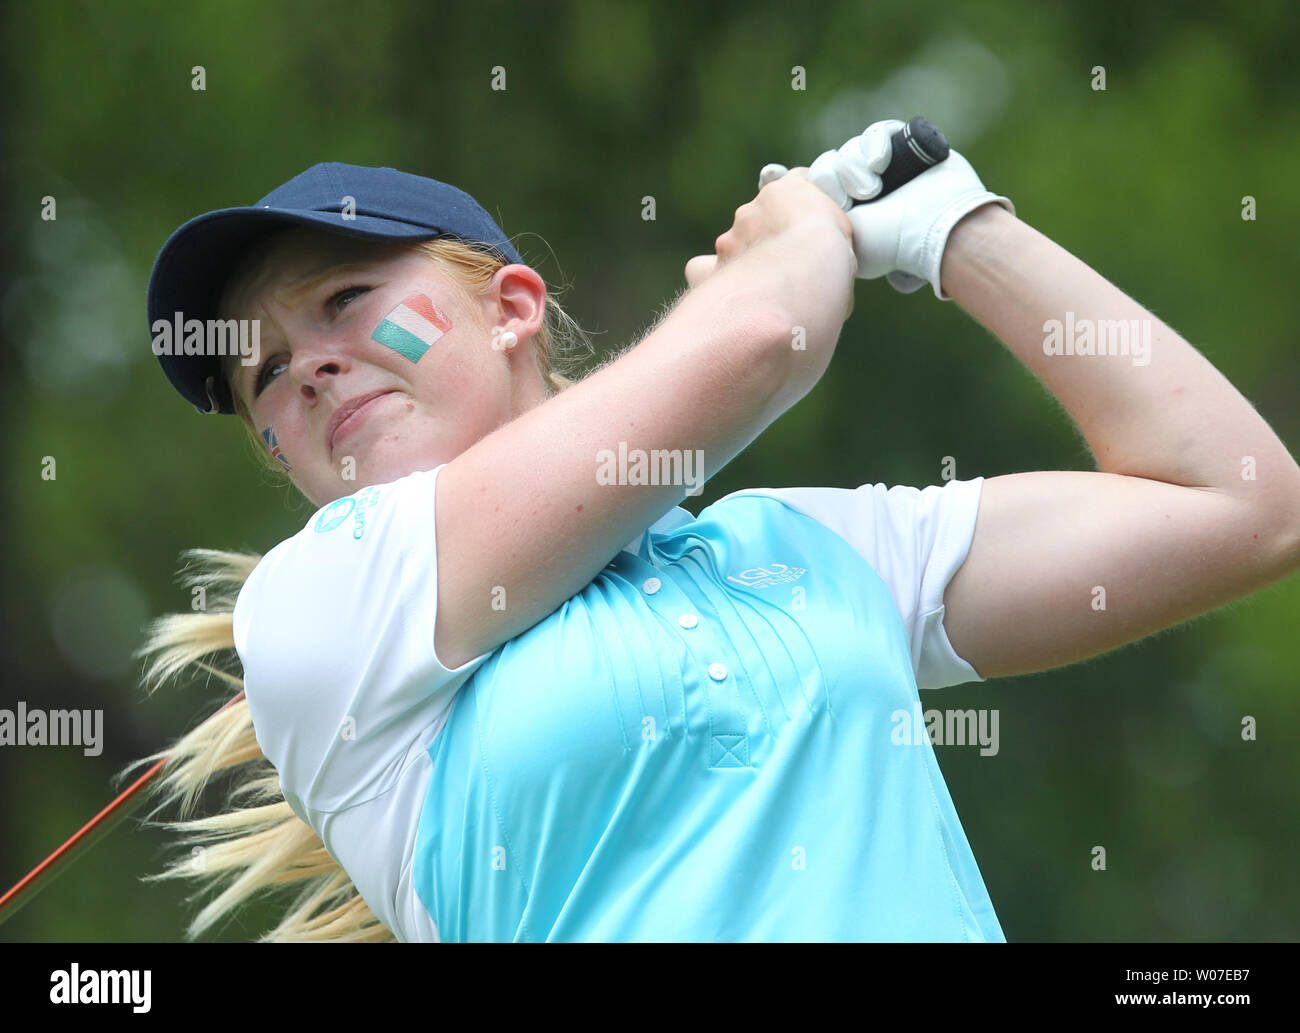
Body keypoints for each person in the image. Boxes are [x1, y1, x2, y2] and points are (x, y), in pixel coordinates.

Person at [128, 121, 1300, 943]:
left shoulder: (806, 549)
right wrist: (800, 233)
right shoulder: (321, 606)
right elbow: (764, 339)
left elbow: (1243, 505)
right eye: (266, 374)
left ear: (514, 309)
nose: (311, 368)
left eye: (343, 302)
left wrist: (951, 226)